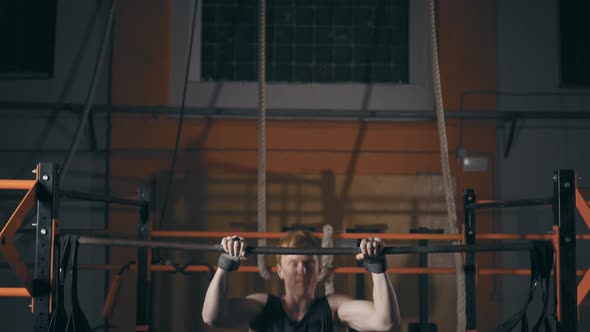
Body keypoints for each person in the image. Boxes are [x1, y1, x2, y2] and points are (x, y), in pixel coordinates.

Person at [202, 229, 401, 331]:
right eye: (293, 263)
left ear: (319, 269)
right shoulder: (263, 306)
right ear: (279, 270)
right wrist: (225, 265)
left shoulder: (333, 308)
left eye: (308, 264)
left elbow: (386, 322)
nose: (301, 271)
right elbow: (213, 317)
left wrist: (377, 267)